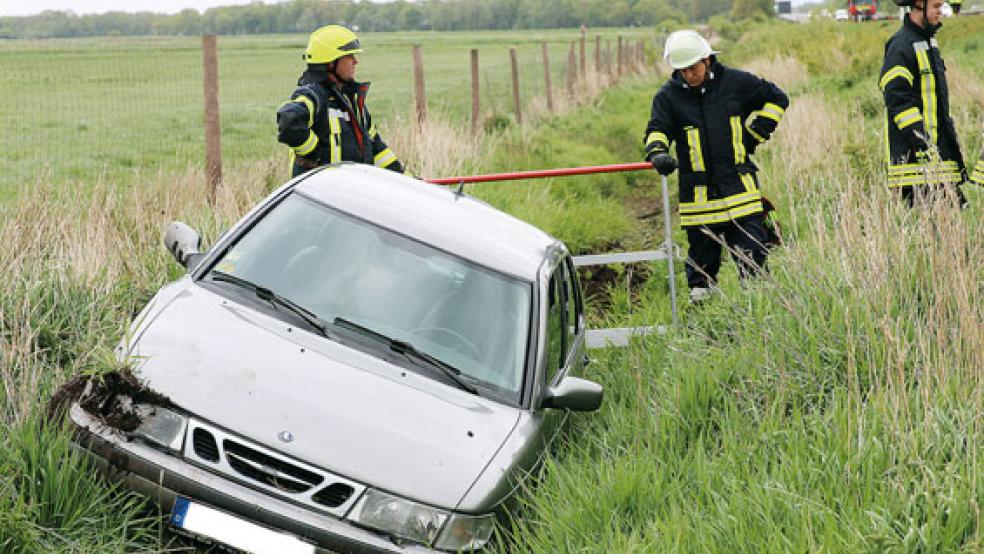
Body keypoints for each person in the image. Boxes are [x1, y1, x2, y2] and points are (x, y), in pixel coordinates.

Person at [643, 30, 788, 304]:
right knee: (701, 274)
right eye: (682, 70)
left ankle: (760, 316)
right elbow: (657, 129)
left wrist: (755, 134)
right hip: (699, 201)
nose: (688, 75)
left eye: (693, 68)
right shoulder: (668, 97)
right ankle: (704, 319)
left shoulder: (736, 83)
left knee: (753, 261)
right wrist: (657, 153)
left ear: (707, 59)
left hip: (741, 193)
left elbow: (777, 98)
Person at [277, 25, 404, 177]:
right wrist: (314, 153)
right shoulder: (314, 96)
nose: (355, 61)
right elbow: (289, 120)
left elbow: (377, 149)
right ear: (330, 62)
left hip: (350, 188)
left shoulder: (352, 101)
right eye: (349, 56)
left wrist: (410, 182)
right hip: (320, 189)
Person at [879, 0, 966, 206]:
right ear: (919, 4)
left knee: (955, 215)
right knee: (939, 218)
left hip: (937, 156)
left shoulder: (929, 43)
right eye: (936, 6)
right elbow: (897, 99)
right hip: (916, 163)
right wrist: (921, 141)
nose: (940, 12)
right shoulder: (900, 46)